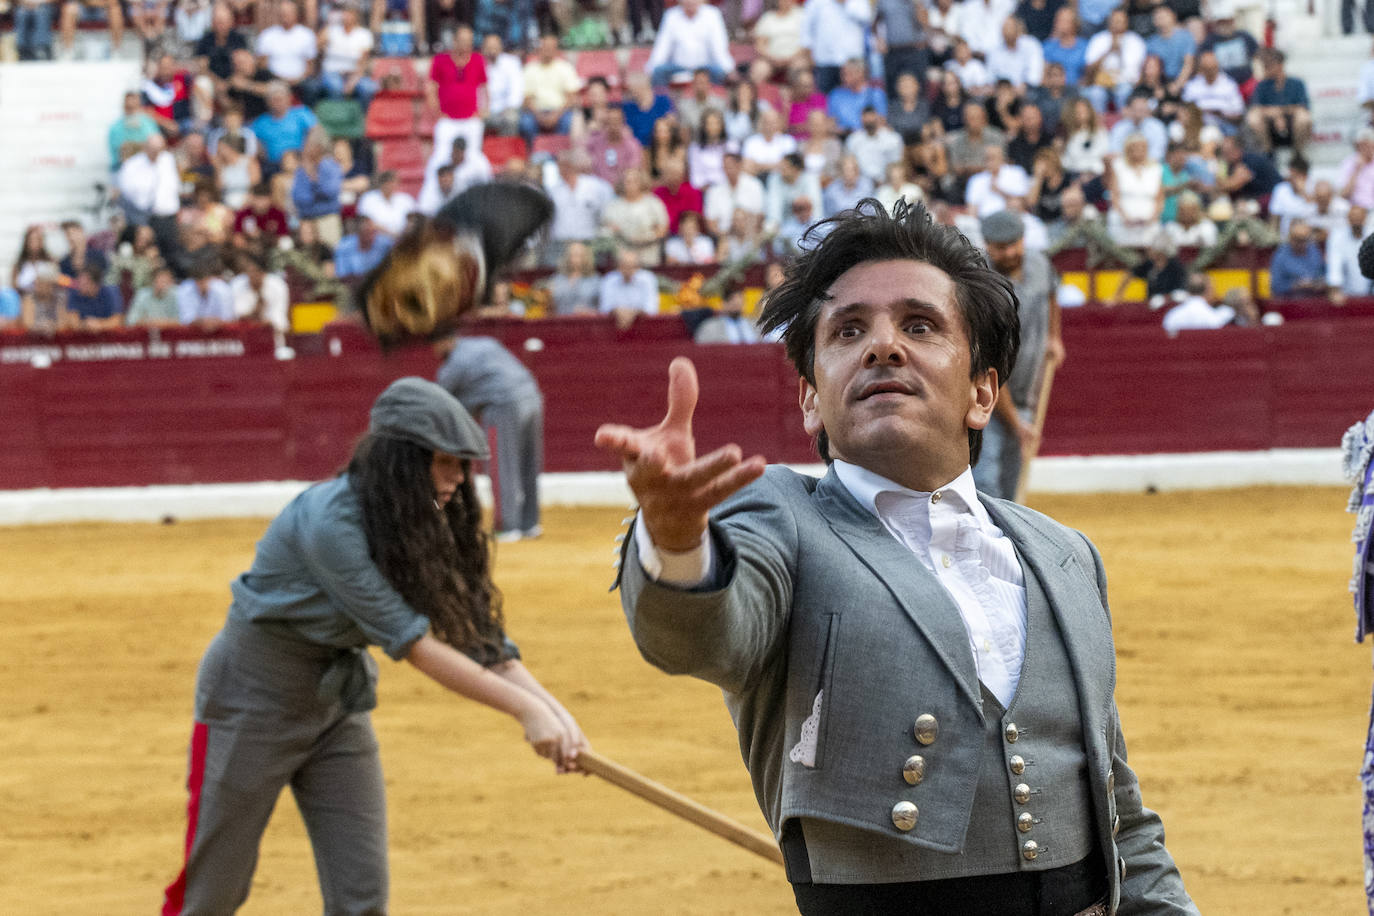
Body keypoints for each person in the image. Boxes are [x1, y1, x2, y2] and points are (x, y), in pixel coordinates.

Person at [595, 198, 1196, 915]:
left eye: (920, 325)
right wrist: (673, 537)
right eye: (849, 331)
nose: (883, 346)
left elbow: (1121, 820)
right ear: (812, 402)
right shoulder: (777, 515)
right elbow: (705, 635)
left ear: (982, 393)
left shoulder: (1064, 555)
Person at [161, 377, 586, 915]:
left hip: (337, 710)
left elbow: (477, 635)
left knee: (361, 898)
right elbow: (415, 644)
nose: (459, 479)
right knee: (211, 896)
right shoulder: (329, 524)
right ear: (402, 462)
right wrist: (526, 711)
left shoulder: (418, 520)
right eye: (445, 462)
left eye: (462, 465)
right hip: (250, 705)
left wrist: (556, 714)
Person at [976, 209, 1062, 500]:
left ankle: (1008, 540)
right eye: (1001, 247)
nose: (1010, 252)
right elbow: (990, 370)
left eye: (1015, 244)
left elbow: (1050, 295)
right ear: (987, 245)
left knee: (1013, 480)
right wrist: (1018, 425)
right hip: (983, 399)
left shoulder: (1039, 264)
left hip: (1023, 394)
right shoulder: (981, 284)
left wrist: (1054, 336)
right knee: (985, 482)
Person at [437, 337, 546, 540]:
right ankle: (530, 524)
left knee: (502, 465)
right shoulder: (485, 343)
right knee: (529, 463)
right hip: (532, 397)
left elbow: (443, 405)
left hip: (503, 406)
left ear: (442, 342)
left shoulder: (453, 366)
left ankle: (507, 525)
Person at [645, 0, 734, 87]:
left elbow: (719, 48)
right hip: (677, 67)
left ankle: (715, 100)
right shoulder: (671, 15)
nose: (690, 2)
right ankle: (662, 100)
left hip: (705, 68)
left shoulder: (713, 14)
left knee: (719, 72)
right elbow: (662, 48)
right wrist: (650, 70)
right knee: (658, 72)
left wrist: (728, 69)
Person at [598, 247, 659, 326]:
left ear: (639, 267)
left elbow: (651, 309)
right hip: (613, 329)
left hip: (643, 329)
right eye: (624, 266)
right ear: (618, 266)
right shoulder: (609, 280)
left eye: (632, 266)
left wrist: (633, 313)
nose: (628, 270)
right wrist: (617, 312)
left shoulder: (648, 279)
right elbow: (604, 308)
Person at [1269, 219, 1328, 298]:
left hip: (1315, 299)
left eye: (1304, 240)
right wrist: (1296, 285)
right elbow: (1276, 286)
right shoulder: (1280, 256)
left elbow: (1325, 275)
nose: (1301, 244)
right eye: (1297, 240)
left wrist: (1317, 284)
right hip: (1290, 302)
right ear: (1290, 238)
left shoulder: (1314, 251)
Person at [692, 284, 760, 343]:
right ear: (723, 304)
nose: (736, 305)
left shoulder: (755, 325)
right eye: (732, 301)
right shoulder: (709, 327)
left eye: (740, 301)